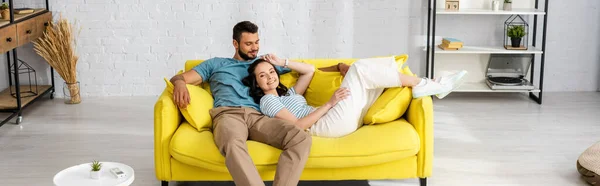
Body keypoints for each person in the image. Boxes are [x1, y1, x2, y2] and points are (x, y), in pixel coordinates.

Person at [169, 21, 311, 186]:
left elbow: (307, 68)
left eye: (257, 42)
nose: (255, 48)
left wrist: (339, 67)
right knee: (232, 143)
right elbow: (180, 78)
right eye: (248, 44)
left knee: (300, 138)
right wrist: (179, 84)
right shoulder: (216, 64)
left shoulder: (262, 64)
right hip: (228, 115)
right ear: (235, 44)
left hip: (259, 116)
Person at [242, 54, 467, 138]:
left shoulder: (288, 94)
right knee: (359, 69)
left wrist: (281, 62)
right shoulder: (267, 101)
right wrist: (330, 103)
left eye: (271, 72)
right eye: (263, 75)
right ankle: (428, 84)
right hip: (325, 126)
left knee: (372, 77)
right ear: (257, 83)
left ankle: (423, 85)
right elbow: (299, 125)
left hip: (335, 119)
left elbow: (309, 70)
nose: (270, 77)